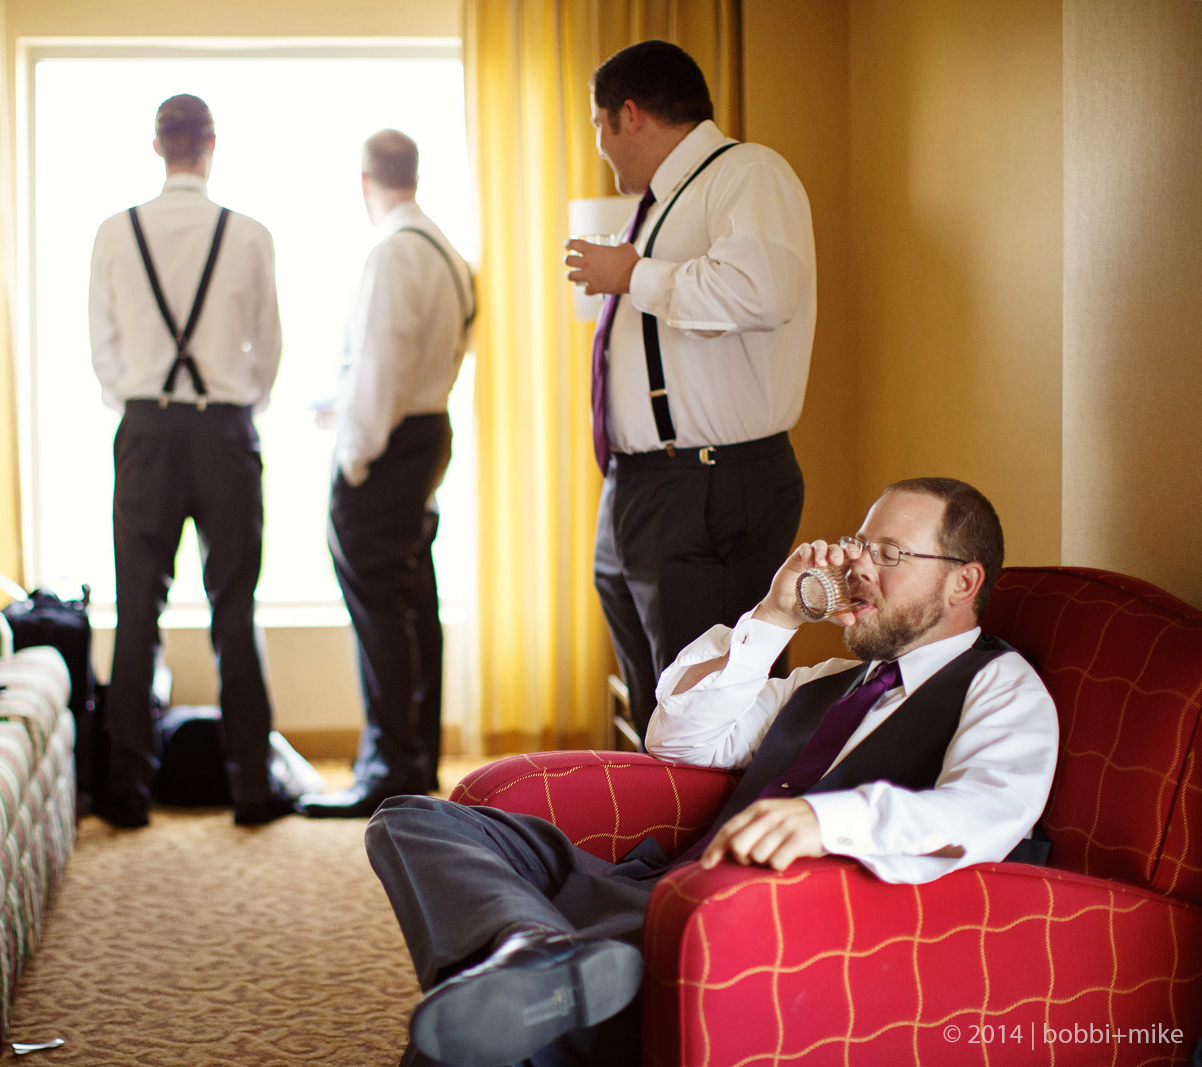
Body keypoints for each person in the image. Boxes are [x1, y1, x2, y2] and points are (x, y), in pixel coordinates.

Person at [366, 477, 1059, 1066]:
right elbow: (680, 742)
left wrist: (824, 819)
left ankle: (536, 976)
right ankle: (536, 953)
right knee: (412, 819)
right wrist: (775, 614)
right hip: (645, 892)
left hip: (740, 932)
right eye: (860, 545)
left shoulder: (1001, 686)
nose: (859, 567)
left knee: (462, 1043)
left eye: (890, 553)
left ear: (963, 580)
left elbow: (986, 811)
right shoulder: (829, 680)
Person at [564, 41, 817, 743]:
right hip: (645, 483)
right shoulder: (656, 205)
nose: (600, 146)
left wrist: (632, 275)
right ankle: (661, 811)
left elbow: (761, 291)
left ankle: (718, 816)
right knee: (658, 696)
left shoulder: (747, 173)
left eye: (598, 124)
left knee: (707, 704)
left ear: (629, 115)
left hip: (706, 484)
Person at [86, 93, 295, 828]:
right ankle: (253, 787)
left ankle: (126, 791)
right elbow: (269, 349)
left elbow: (103, 350)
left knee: (136, 610)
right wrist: (236, 406)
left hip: (146, 432)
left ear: (157, 147)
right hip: (226, 434)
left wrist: (144, 404)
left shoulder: (115, 232)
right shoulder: (251, 233)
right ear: (211, 145)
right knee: (235, 609)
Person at [299, 130, 476, 820]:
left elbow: (381, 368)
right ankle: (415, 754)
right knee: (412, 598)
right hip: (429, 434)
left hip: (391, 444)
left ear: (365, 182)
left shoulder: (393, 253)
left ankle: (387, 768)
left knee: (379, 607)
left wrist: (355, 458)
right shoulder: (446, 252)